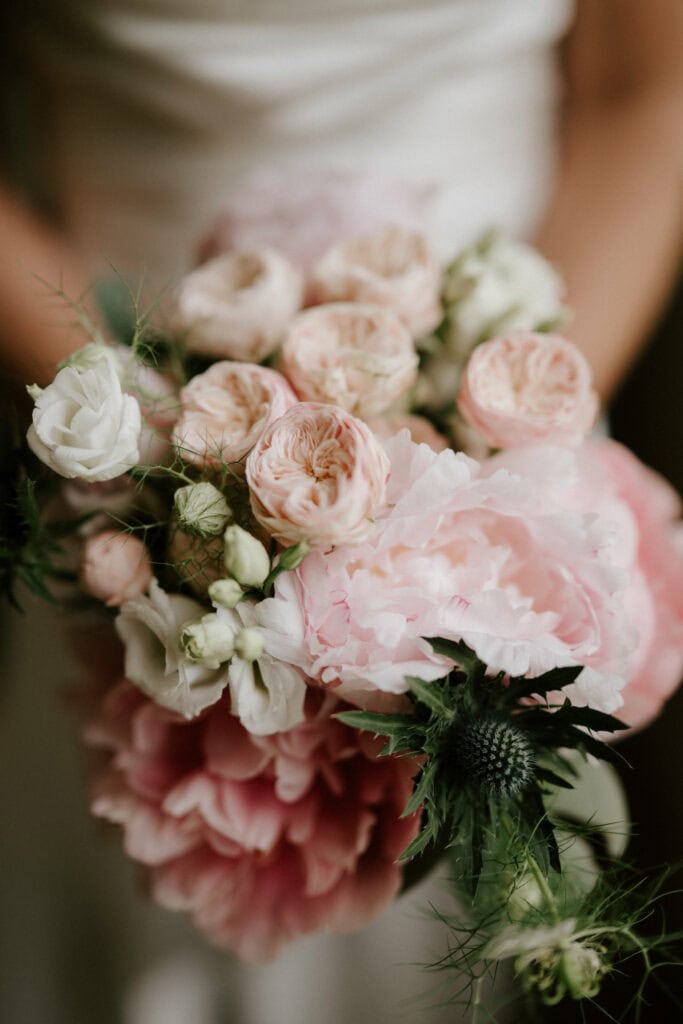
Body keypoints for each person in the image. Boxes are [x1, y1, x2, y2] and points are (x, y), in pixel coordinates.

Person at [1, 3, 682, 1023]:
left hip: (514, 411)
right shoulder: (146, 492)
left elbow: (644, 91)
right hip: (128, 449)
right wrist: (142, 449)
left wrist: (492, 454)